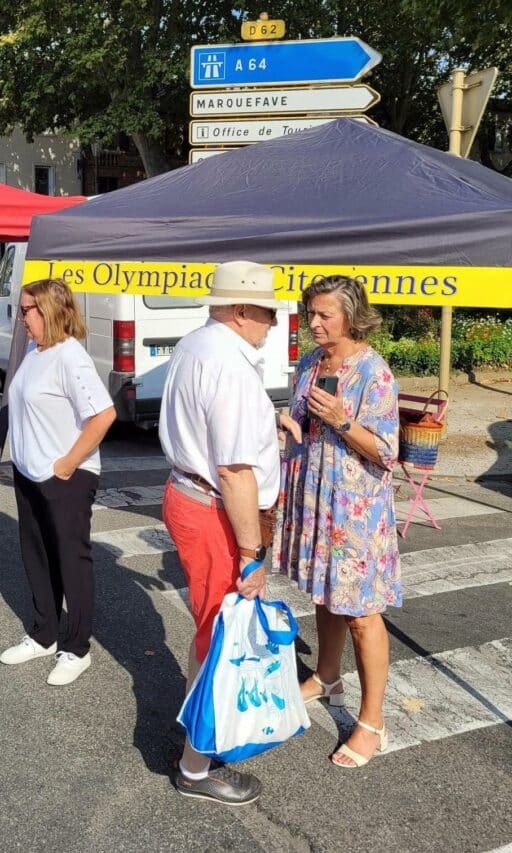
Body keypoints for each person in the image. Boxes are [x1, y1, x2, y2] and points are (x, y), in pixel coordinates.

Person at [159, 260, 299, 806]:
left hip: (189, 493)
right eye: (267, 311)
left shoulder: (199, 343)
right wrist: (252, 553)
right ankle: (195, 768)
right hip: (214, 506)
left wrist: (268, 419)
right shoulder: (233, 367)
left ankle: (199, 733)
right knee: (221, 635)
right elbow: (236, 472)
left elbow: (216, 423)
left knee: (210, 627)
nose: (273, 321)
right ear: (241, 311)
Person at [272, 274, 401, 769]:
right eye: (312, 314)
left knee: (362, 613)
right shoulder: (310, 362)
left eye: (325, 314)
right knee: (324, 593)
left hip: (355, 509)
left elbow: (387, 451)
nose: (315, 323)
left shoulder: (375, 373)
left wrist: (344, 420)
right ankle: (328, 675)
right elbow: (304, 422)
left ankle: (372, 721)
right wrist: (291, 425)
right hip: (316, 497)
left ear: (351, 314)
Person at [0, 279, 116, 685]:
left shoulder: (71, 357)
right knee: (36, 555)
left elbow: (104, 415)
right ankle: (43, 634)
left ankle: (75, 648)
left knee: (71, 560)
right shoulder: (36, 351)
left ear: (49, 310)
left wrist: (67, 463)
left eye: (27, 309)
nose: (21, 317)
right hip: (29, 472)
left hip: (65, 475)